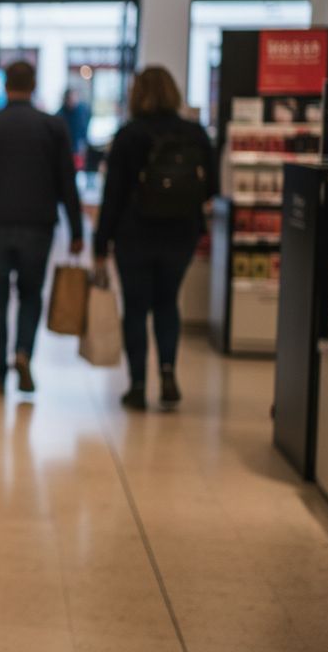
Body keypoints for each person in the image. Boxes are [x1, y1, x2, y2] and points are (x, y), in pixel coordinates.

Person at [0, 61, 83, 396]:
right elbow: (67, 182)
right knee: (30, 295)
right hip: (38, 225)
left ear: (5, 85)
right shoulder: (53, 127)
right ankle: (23, 352)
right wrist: (78, 231)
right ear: (34, 84)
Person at [94, 66, 216, 411]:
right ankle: (167, 372)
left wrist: (100, 244)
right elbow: (212, 188)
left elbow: (113, 194)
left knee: (136, 307)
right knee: (167, 302)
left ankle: (136, 384)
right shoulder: (195, 134)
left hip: (136, 233)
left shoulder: (130, 135)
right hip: (181, 232)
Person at [58, 87, 91, 159]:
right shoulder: (60, 114)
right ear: (65, 100)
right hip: (66, 148)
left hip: (81, 146)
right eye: (70, 99)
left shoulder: (83, 109)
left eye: (75, 98)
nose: (73, 101)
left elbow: (85, 125)